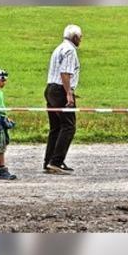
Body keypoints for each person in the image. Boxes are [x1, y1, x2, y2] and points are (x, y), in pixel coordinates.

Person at [44, 24, 81, 175]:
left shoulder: (59, 48)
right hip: (60, 90)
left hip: (50, 89)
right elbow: (65, 73)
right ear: (75, 37)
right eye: (80, 37)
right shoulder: (70, 50)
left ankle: (48, 161)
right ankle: (56, 161)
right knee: (68, 126)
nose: (81, 40)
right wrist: (69, 93)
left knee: (56, 127)